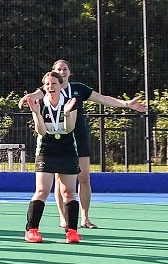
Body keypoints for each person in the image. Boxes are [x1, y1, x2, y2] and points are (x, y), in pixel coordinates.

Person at [18, 59, 147, 228]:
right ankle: (63, 218)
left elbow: (102, 98)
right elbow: (33, 96)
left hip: (77, 136)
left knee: (84, 177)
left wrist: (126, 104)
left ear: (69, 72)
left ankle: (85, 217)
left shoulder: (78, 89)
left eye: (65, 69)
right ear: (53, 73)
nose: (62, 71)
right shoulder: (48, 87)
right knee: (59, 179)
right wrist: (26, 99)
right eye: (58, 69)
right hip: (55, 141)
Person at [24, 71, 82, 244]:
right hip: (46, 149)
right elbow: (41, 131)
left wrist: (66, 113)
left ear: (61, 85)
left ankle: (72, 231)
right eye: (47, 84)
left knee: (69, 192)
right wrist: (36, 113)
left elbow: (69, 129)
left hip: (67, 150)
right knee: (42, 191)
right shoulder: (40, 104)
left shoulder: (71, 102)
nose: (51, 87)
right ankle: (31, 230)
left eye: (54, 83)